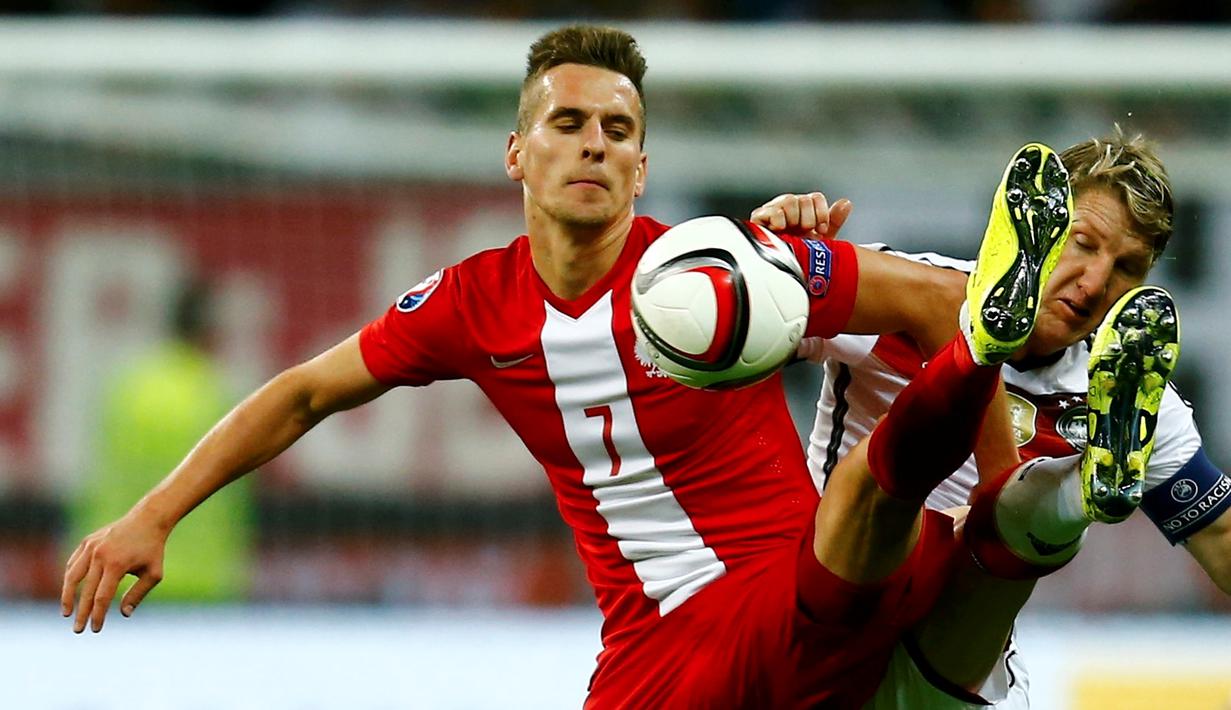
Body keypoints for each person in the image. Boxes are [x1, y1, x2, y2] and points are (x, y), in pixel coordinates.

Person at [60, 25, 1112, 708]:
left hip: (792, 600)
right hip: (650, 660)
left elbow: (940, 298)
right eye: (567, 124)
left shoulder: (728, 266)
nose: (594, 146)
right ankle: (1029, 519)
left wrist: (993, 447)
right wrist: (157, 508)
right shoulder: (473, 303)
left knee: (868, 489)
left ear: (643, 164)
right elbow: (303, 391)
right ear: (517, 153)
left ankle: (1019, 510)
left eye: (619, 129)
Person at [755, 128, 1211, 707]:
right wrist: (770, 249)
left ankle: (1069, 470)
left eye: (1126, 268)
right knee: (969, 511)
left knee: (995, 536)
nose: (1095, 283)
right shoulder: (911, 288)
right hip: (844, 619)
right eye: (1083, 243)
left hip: (950, 659)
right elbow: (737, 326)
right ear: (1041, 230)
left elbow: (1219, 537)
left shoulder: (1137, 393)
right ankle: (1064, 483)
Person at [69, 279, 253, 602]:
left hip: (112, 575)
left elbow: (95, 479)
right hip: (202, 582)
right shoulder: (218, 394)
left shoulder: (128, 388)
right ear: (211, 331)